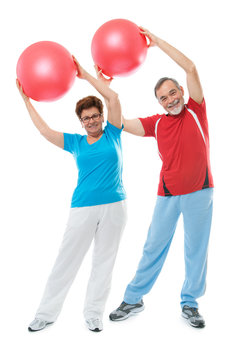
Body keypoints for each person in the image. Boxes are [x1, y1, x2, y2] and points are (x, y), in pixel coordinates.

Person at [109, 28, 214, 328]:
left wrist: (156, 43)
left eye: (172, 93)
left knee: (196, 249)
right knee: (153, 246)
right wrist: (107, 90)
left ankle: (190, 303)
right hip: (167, 195)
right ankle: (134, 298)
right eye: (163, 98)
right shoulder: (156, 124)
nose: (169, 100)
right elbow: (118, 122)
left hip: (199, 193)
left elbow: (191, 67)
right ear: (159, 103)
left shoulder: (196, 110)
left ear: (181, 91)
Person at [16, 57, 127, 332]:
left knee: (104, 262)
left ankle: (93, 314)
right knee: (66, 260)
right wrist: (26, 100)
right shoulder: (76, 142)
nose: (91, 120)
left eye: (94, 115)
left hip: (115, 207)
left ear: (102, 117)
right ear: (81, 121)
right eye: (85, 117)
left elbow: (112, 97)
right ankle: (45, 313)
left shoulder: (113, 132)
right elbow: (44, 131)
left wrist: (85, 75)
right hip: (83, 208)